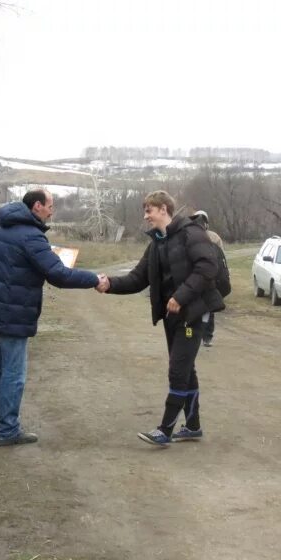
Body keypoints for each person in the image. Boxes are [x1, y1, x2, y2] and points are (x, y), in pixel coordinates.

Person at [0, 189, 104, 446]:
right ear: (37, 206)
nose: (52, 210)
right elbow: (59, 275)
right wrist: (95, 279)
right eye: (50, 205)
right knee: (13, 373)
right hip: (14, 314)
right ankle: (7, 429)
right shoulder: (31, 236)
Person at [97, 191, 224, 446]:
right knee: (186, 369)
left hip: (193, 314)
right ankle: (193, 426)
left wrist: (181, 296)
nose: (146, 217)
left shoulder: (191, 233)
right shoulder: (157, 243)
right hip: (171, 316)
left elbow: (208, 267)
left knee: (178, 370)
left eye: (149, 211)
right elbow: (137, 278)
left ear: (164, 209)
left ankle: (165, 430)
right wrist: (109, 284)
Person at [190, 210, 224, 347]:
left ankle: (206, 336)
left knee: (207, 307)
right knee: (202, 307)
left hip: (208, 278)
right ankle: (202, 336)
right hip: (198, 277)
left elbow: (221, 258)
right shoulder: (190, 236)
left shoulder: (213, 237)